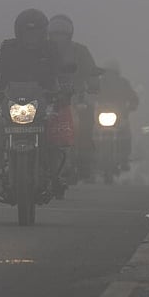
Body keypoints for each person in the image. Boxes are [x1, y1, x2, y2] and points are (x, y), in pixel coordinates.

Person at [0, 9, 65, 198]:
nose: (31, 37)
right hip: (9, 102)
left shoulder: (51, 49)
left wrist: (66, 87)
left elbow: (63, 72)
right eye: (27, 32)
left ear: (43, 33)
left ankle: (55, 174)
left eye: (35, 32)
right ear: (19, 32)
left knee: (55, 128)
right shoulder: (6, 47)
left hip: (43, 103)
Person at [47, 14, 100, 182]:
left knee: (85, 125)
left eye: (62, 34)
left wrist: (93, 84)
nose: (58, 38)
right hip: (48, 99)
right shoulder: (43, 50)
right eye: (55, 33)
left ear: (69, 34)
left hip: (75, 99)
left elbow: (91, 71)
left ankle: (85, 161)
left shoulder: (80, 51)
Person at [96, 60, 139, 170]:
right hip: (100, 116)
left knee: (126, 134)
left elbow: (133, 97)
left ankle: (124, 158)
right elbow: (90, 94)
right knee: (89, 133)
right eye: (108, 73)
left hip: (120, 117)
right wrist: (87, 104)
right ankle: (91, 157)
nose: (110, 75)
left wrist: (131, 107)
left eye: (112, 73)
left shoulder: (123, 83)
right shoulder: (99, 83)